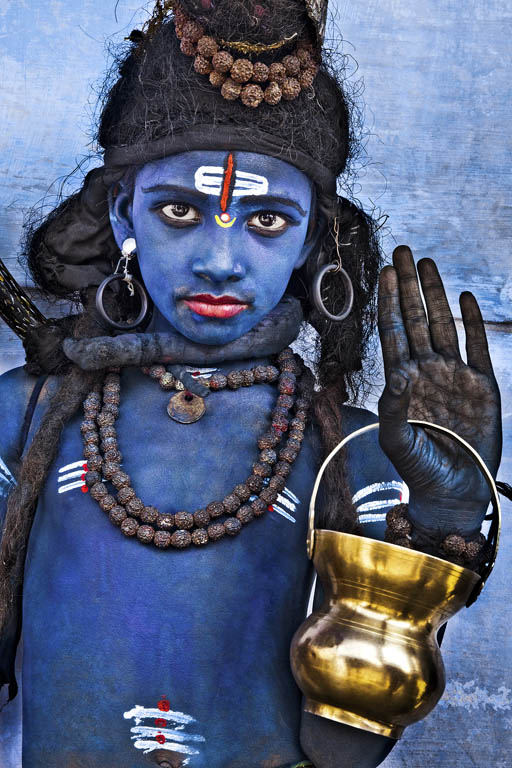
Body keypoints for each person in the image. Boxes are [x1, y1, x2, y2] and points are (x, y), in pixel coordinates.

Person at [0, 2, 502, 767]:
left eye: (267, 220)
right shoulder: (28, 419)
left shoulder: (355, 457)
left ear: (315, 240)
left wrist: (443, 516)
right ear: (121, 210)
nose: (221, 261)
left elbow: (340, 752)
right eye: (178, 210)